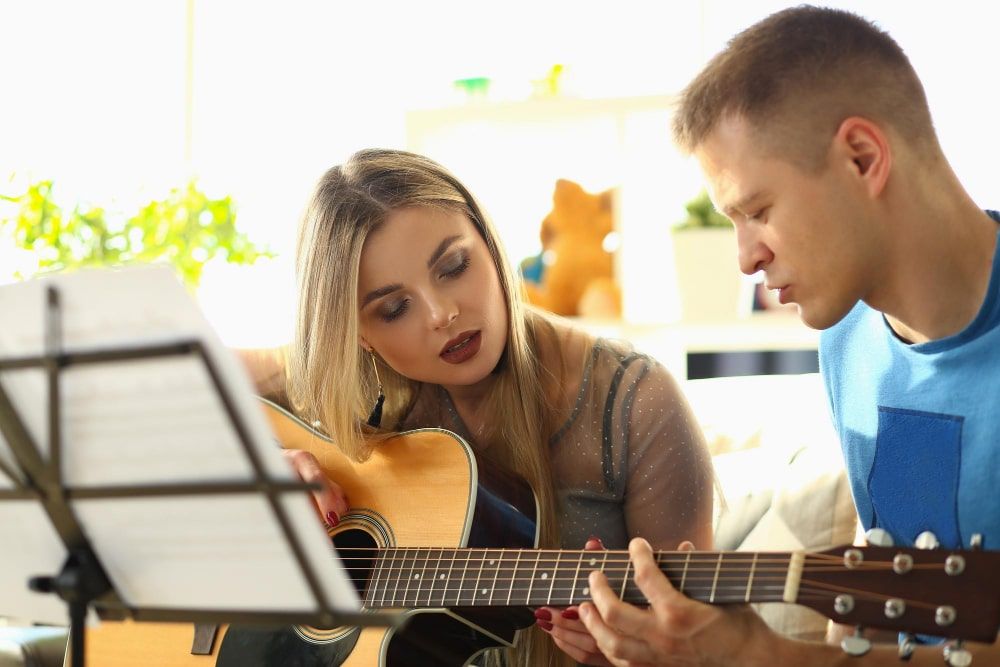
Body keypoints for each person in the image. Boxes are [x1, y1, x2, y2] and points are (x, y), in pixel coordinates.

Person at [577, 5, 1000, 666]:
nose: (746, 259)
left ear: (863, 158)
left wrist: (761, 655)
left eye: (759, 211)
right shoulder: (850, 338)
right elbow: (875, 624)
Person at [240, 148, 714, 666]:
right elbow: (157, 391)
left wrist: (635, 656)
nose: (443, 314)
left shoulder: (634, 400)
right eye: (395, 308)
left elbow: (703, 643)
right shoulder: (336, 388)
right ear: (358, 337)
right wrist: (253, 474)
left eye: (454, 266)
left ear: (489, 244)